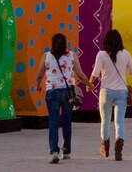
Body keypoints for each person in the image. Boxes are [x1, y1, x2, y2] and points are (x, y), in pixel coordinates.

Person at [33, 32, 92, 164]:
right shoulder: (71, 55)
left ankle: (54, 151)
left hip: (52, 92)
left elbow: (39, 74)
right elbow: (80, 74)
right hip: (67, 93)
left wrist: (38, 85)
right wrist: (89, 85)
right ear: (65, 43)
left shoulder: (46, 55)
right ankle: (66, 151)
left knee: (53, 122)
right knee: (66, 121)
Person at [90, 29, 132, 161]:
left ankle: (105, 148)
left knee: (105, 121)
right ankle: (119, 149)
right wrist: (125, 68)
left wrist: (89, 84)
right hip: (122, 92)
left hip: (106, 91)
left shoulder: (101, 55)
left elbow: (95, 72)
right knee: (119, 122)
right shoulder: (126, 54)